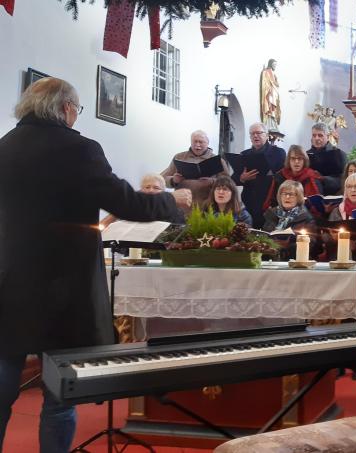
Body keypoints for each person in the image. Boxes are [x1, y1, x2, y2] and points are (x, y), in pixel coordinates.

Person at [0, 77, 191, 452]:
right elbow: (127, 204)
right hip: (63, 284)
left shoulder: (5, 146)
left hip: (9, 278)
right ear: (66, 108)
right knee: (58, 395)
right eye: (77, 109)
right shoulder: (80, 149)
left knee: (4, 369)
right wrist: (172, 201)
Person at [237, 123, 286, 228]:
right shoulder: (244, 155)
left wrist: (269, 174)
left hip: (269, 200)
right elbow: (235, 178)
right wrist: (242, 178)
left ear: (266, 135)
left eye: (259, 133)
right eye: (252, 134)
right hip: (249, 200)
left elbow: (283, 176)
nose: (255, 136)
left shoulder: (278, 153)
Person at [161, 130, 230, 204]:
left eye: (201, 142)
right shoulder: (179, 157)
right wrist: (173, 180)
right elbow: (161, 179)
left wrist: (212, 181)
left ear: (207, 143)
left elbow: (228, 182)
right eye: (195, 141)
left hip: (208, 204)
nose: (197, 145)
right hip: (182, 204)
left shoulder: (218, 160)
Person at [100, 173, 184, 228]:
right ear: (140, 191)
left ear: (163, 191)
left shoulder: (175, 211)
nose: (151, 190)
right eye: (147, 187)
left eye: (156, 188)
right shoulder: (130, 207)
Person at [262, 180, 317, 261]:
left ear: (299, 197)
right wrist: (271, 243)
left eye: (291, 194)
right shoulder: (271, 214)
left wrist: (288, 246)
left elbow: (311, 243)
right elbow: (265, 236)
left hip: (296, 260)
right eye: (284, 194)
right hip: (270, 259)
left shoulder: (306, 217)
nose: (287, 197)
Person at [262, 145, 322, 212]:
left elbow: (317, 203)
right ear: (289, 160)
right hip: (281, 214)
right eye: (293, 158)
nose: (296, 161)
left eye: (300, 158)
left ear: (304, 160)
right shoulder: (280, 176)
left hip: (305, 215)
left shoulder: (311, 176)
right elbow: (273, 200)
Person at [307, 123, 347, 196]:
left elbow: (344, 179)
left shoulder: (339, 154)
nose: (316, 138)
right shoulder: (306, 155)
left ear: (328, 136)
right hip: (311, 195)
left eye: (320, 135)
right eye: (314, 135)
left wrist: (322, 178)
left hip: (334, 196)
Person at [260, 59, 281, 126]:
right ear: (270, 64)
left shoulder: (272, 72)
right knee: (270, 105)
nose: (275, 66)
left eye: (276, 65)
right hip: (270, 92)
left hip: (274, 92)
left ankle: (273, 121)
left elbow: (276, 83)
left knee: (273, 107)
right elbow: (267, 82)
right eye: (274, 64)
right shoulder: (268, 71)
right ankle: (270, 122)